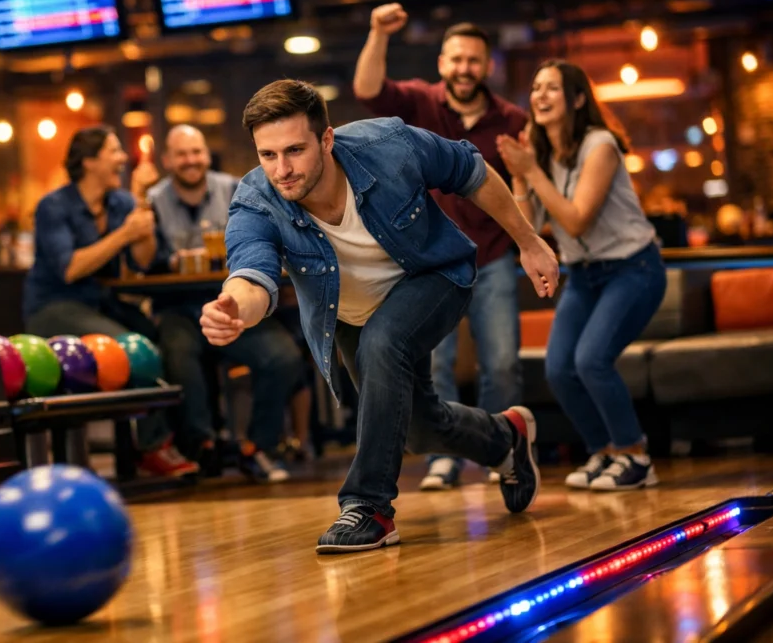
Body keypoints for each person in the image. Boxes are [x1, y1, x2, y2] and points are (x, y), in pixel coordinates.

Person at [200, 80, 558, 553]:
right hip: (349, 312)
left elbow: (472, 171)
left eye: (294, 150)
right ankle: (504, 438)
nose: (281, 170)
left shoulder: (388, 145)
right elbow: (252, 272)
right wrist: (234, 310)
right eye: (268, 155)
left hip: (433, 276)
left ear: (326, 139)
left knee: (383, 342)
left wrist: (528, 241)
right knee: (416, 426)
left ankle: (368, 507)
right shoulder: (257, 199)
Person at [354, 5, 527, 491]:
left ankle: (503, 452)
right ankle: (444, 457)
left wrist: (529, 242)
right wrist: (377, 34)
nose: (464, 69)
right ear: (441, 64)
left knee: (503, 363)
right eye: (455, 59)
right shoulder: (421, 103)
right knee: (436, 365)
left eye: (473, 60)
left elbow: (523, 190)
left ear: (487, 65)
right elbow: (368, 90)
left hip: (491, 256)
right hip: (432, 261)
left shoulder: (511, 120)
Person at [496, 59, 666, 491]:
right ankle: (604, 452)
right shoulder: (541, 153)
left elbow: (576, 221)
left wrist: (531, 169)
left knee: (591, 360)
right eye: (535, 88)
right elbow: (529, 225)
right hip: (585, 275)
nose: (540, 96)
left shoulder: (600, 144)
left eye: (552, 88)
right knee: (558, 369)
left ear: (576, 99)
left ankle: (636, 455)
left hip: (634, 268)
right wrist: (520, 177)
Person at [23, 125, 198, 479]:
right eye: (114, 151)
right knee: (134, 349)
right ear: (89, 162)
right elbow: (69, 268)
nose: (123, 159)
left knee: (162, 337)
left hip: (101, 304)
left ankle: (187, 441)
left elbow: (143, 261)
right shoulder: (54, 207)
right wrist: (124, 233)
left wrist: (141, 201)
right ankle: (153, 449)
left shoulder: (120, 201)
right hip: (53, 307)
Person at [146, 124, 303, 482]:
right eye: (182, 154)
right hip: (178, 306)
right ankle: (203, 447)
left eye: (197, 152)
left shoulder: (236, 189)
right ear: (168, 160)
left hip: (234, 300)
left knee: (282, 356)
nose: (191, 161)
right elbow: (144, 263)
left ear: (206, 154)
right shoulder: (152, 200)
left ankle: (258, 449)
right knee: (177, 354)